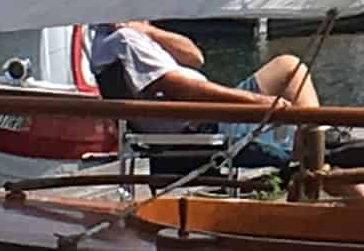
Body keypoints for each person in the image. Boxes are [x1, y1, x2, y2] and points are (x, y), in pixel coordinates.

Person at [87, 19, 331, 171]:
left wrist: (148, 30)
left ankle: (310, 142)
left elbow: (195, 57)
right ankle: (313, 150)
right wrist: (259, 102)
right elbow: (180, 89)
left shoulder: (130, 35)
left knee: (289, 67)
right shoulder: (124, 40)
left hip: (206, 115)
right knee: (323, 148)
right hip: (205, 124)